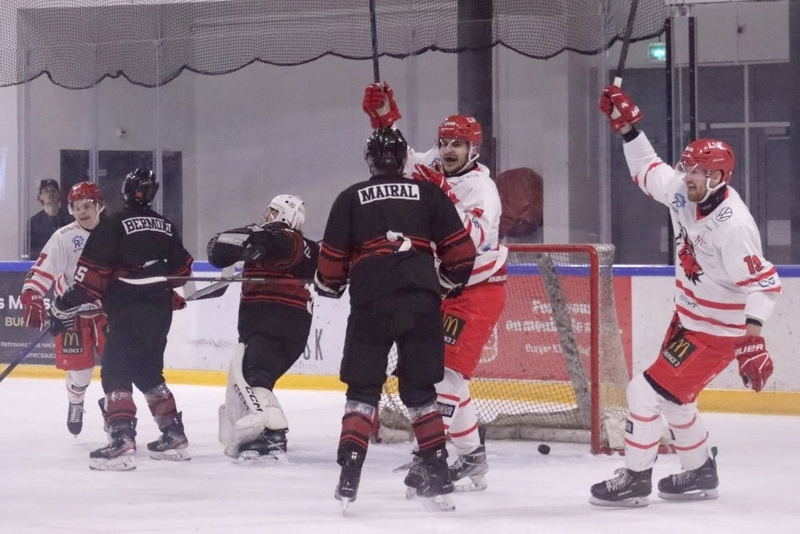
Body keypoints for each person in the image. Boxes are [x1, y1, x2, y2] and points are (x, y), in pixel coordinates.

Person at [589, 85, 782, 507]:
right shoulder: (682, 190)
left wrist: (752, 338)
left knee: (643, 392)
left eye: (700, 172)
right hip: (689, 320)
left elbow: (764, 284)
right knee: (676, 401)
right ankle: (699, 471)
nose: (690, 176)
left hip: (716, 332)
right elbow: (647, 170)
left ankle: (636, 479)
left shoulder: (734, 227)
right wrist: (628, 129)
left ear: (720, 179)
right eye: (688, 167)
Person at [315, 128, 476, 511]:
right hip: (420, 303)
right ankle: (437, 475)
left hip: (371, 302)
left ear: (370, 159)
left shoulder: (349, 197)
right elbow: (462, 254)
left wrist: (331, 284)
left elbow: (330, 269)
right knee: (421, 392)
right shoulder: (429, 193)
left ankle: (349, 478)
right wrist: (439, 285)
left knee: (362, 391)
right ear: (405, 158)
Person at [362, 82, 508, 492]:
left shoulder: (483, 191)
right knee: (441, 375)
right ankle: (472, 459)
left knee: (443, 375)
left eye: (458, 144)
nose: (448, 150)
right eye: (444, 142)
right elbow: (401, 160)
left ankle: (432, 456)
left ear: (474, 150)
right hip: (444, 290)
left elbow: (468, 245)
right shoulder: (435, 167)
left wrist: (438, 197)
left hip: (476, 292)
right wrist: (384, 117)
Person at [48, 168, 194, 472]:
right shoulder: (165, 225)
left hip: (127, 311)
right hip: (159, 313)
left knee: (115, 372)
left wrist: (63, 303)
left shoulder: (114, 225)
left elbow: (91, 281)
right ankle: (173, 433)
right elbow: (182, 273)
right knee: (149, 372)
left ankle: (122, 439)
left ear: (126, 192)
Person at [207, 194, 319, 463]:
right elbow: (217, 252)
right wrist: (245, 241)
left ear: (284, 215)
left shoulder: (289, 239)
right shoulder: (309, 247)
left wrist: (250, 239)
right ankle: (266, 430)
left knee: (254, 374)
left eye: (271, 210)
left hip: (271, 319)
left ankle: (272, 433)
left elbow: (272, 241)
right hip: (291, 325)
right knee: (257, 377)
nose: (266, 215)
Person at [20, 181, 108, 437]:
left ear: (99, 206)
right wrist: (32, 293)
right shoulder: (64, 236)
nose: (82, 211)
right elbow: (43, 267)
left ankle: (114, 414)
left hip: (108, 312)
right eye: (76, 207)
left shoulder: (114, 233)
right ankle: (76, 401)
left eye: (88, 205)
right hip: (72, 314)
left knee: (116, 369)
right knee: (80, 373)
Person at [29, 179, 72, 259]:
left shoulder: (70, 219)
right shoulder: (34, 222)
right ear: (40, 197)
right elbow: (30, 250)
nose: (50, 193)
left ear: (60, 195)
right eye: (46, 191)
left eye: (53, 190)